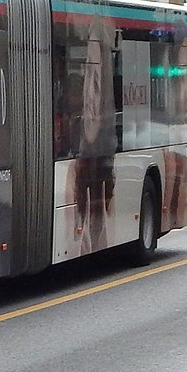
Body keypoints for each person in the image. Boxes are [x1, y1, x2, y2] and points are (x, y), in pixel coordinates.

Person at [68, 17, 116, 255]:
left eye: (96, 83)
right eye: (88, 75)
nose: (89, 98)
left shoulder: (105, 162)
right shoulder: (74, 166)